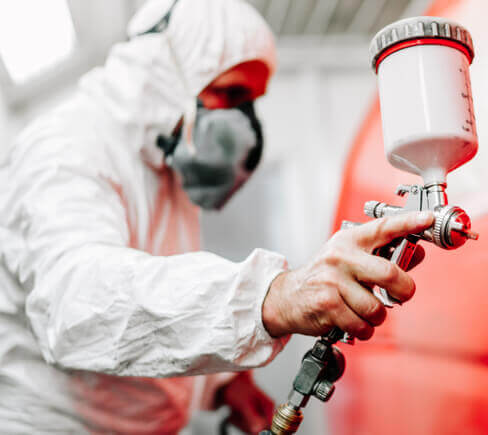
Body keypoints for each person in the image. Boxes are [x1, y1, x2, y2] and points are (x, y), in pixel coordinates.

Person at [0, 0, 433, 433]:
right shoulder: (66, 148)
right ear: (163, 75)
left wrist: (223, 385)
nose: (242, 124)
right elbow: (78, 304)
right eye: (230, 95)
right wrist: (272, 298)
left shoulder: (164, 173)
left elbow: (151, 313)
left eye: (251, 103)